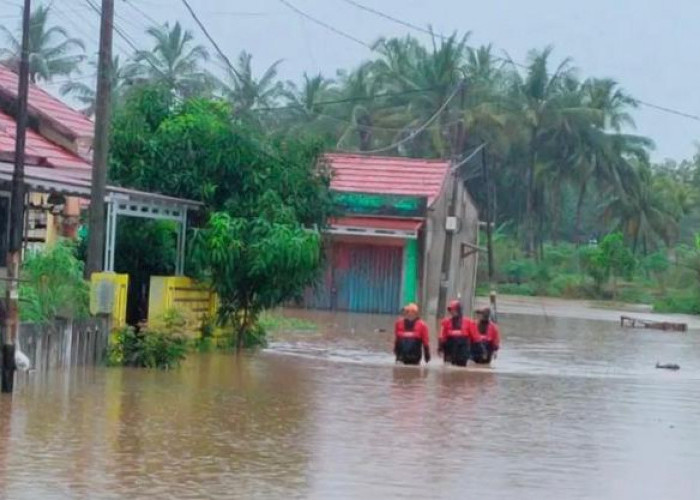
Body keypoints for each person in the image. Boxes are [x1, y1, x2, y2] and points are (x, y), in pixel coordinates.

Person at [438, 300, 473, 367]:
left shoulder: (468, 322)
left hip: (462, 352)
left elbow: (474, 338)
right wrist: (440, 348)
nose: (451, 312)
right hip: (449, 350)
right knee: (447, 369)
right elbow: (442, 336)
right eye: (450, 310)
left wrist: (472, 353)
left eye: (453, 310)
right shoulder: (445, 322)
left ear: (458, 310)